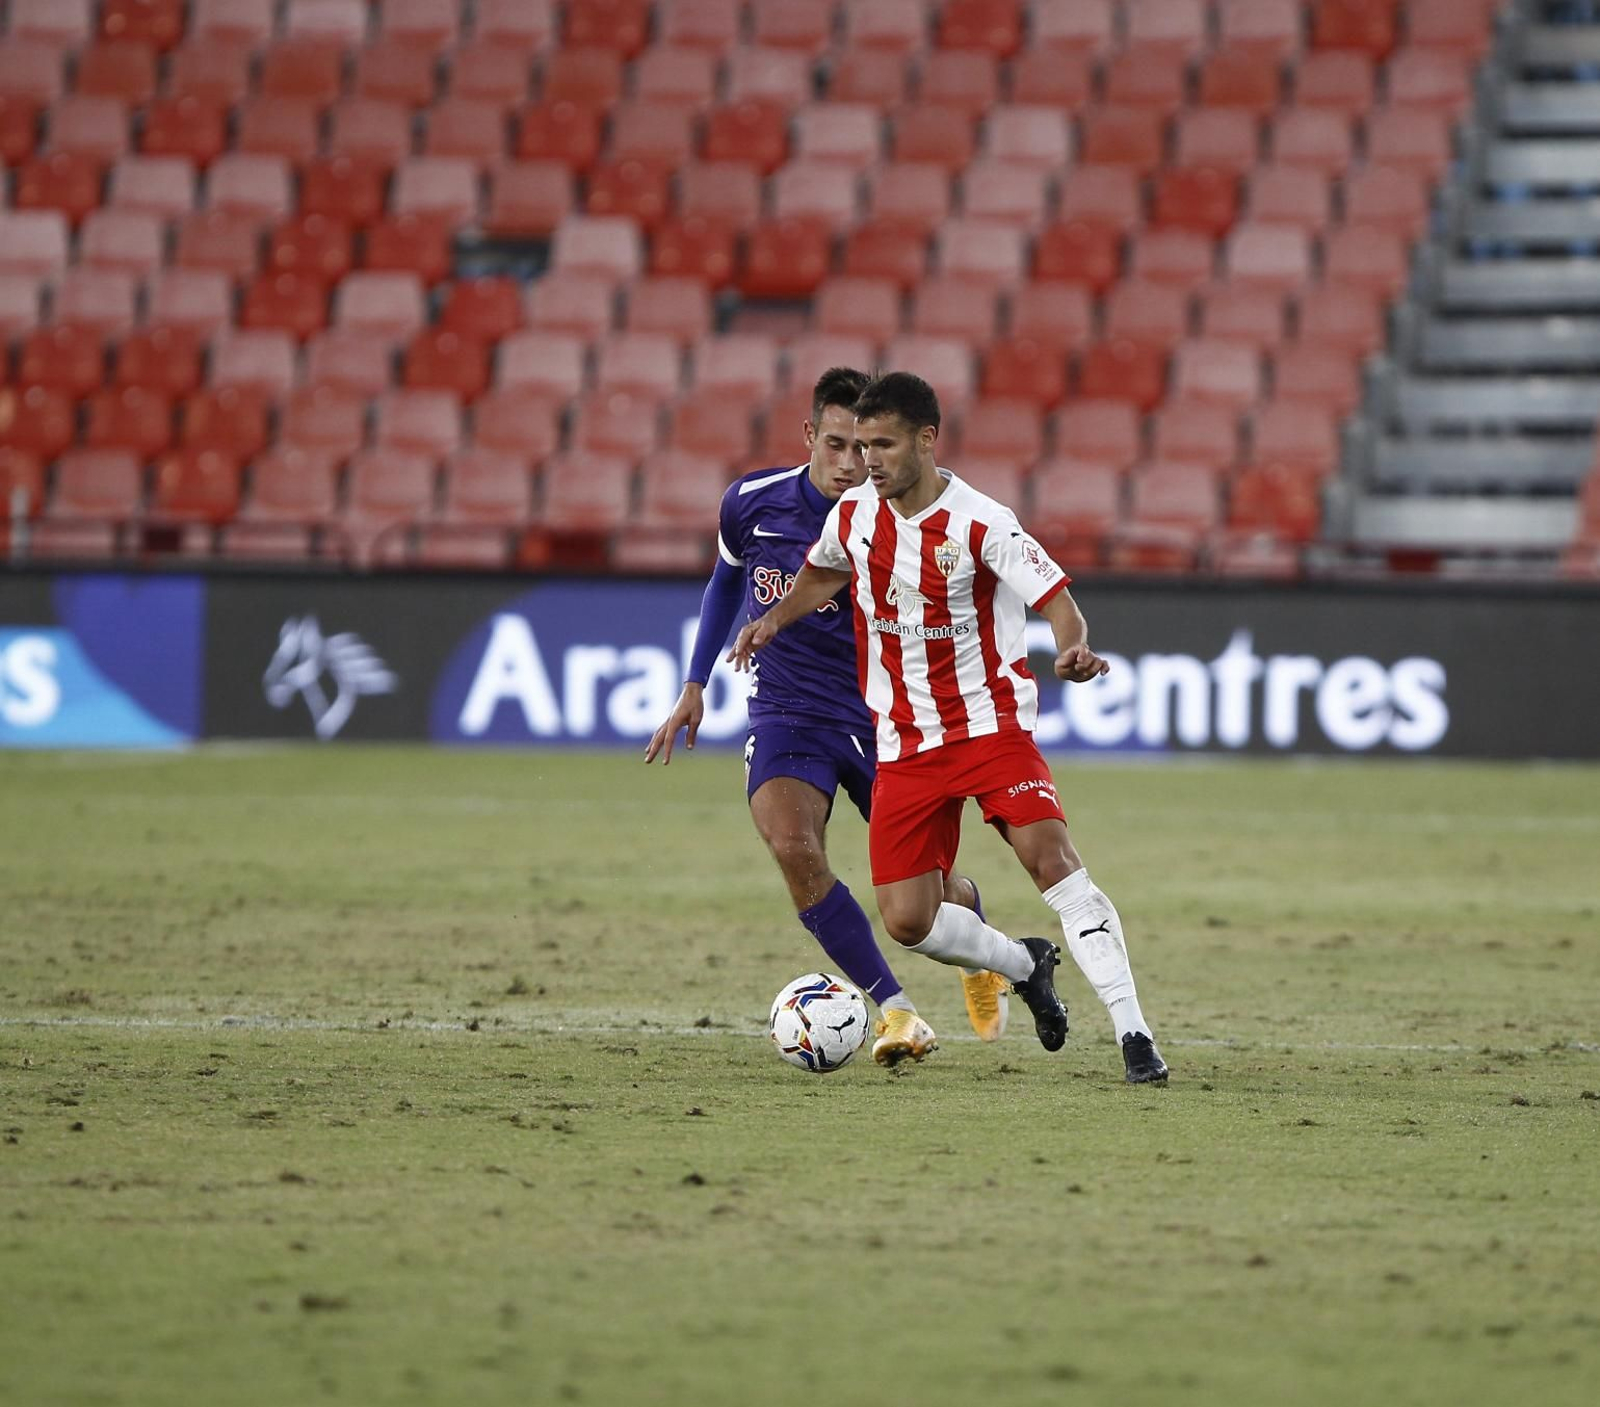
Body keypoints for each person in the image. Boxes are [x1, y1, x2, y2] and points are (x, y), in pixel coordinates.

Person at [729, 371, 1168, 1083]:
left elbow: (1055, 596)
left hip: (991, 732)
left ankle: (1134, 1033)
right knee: (908, 919)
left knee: (1053, 862)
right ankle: (1027, 965)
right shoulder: (853, 516)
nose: (868, 460)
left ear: (927, 440)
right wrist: (772, 620)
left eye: (884, 444)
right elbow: (821, 573)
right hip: (903, 744)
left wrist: (1071, 646)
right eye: (862, 444)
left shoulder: (982, 521)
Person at [645, 367, 1009, 1068]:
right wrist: (694, 682)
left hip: (884, 720)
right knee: (792, 846)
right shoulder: (751, 503)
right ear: (810, 435)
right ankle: (897, 1011)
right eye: (836, 445)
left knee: (927, 900)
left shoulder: (898, 515)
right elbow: (726, 579)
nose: (852, 465)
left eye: (864, 449)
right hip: (788, 710)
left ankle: (976, 939)